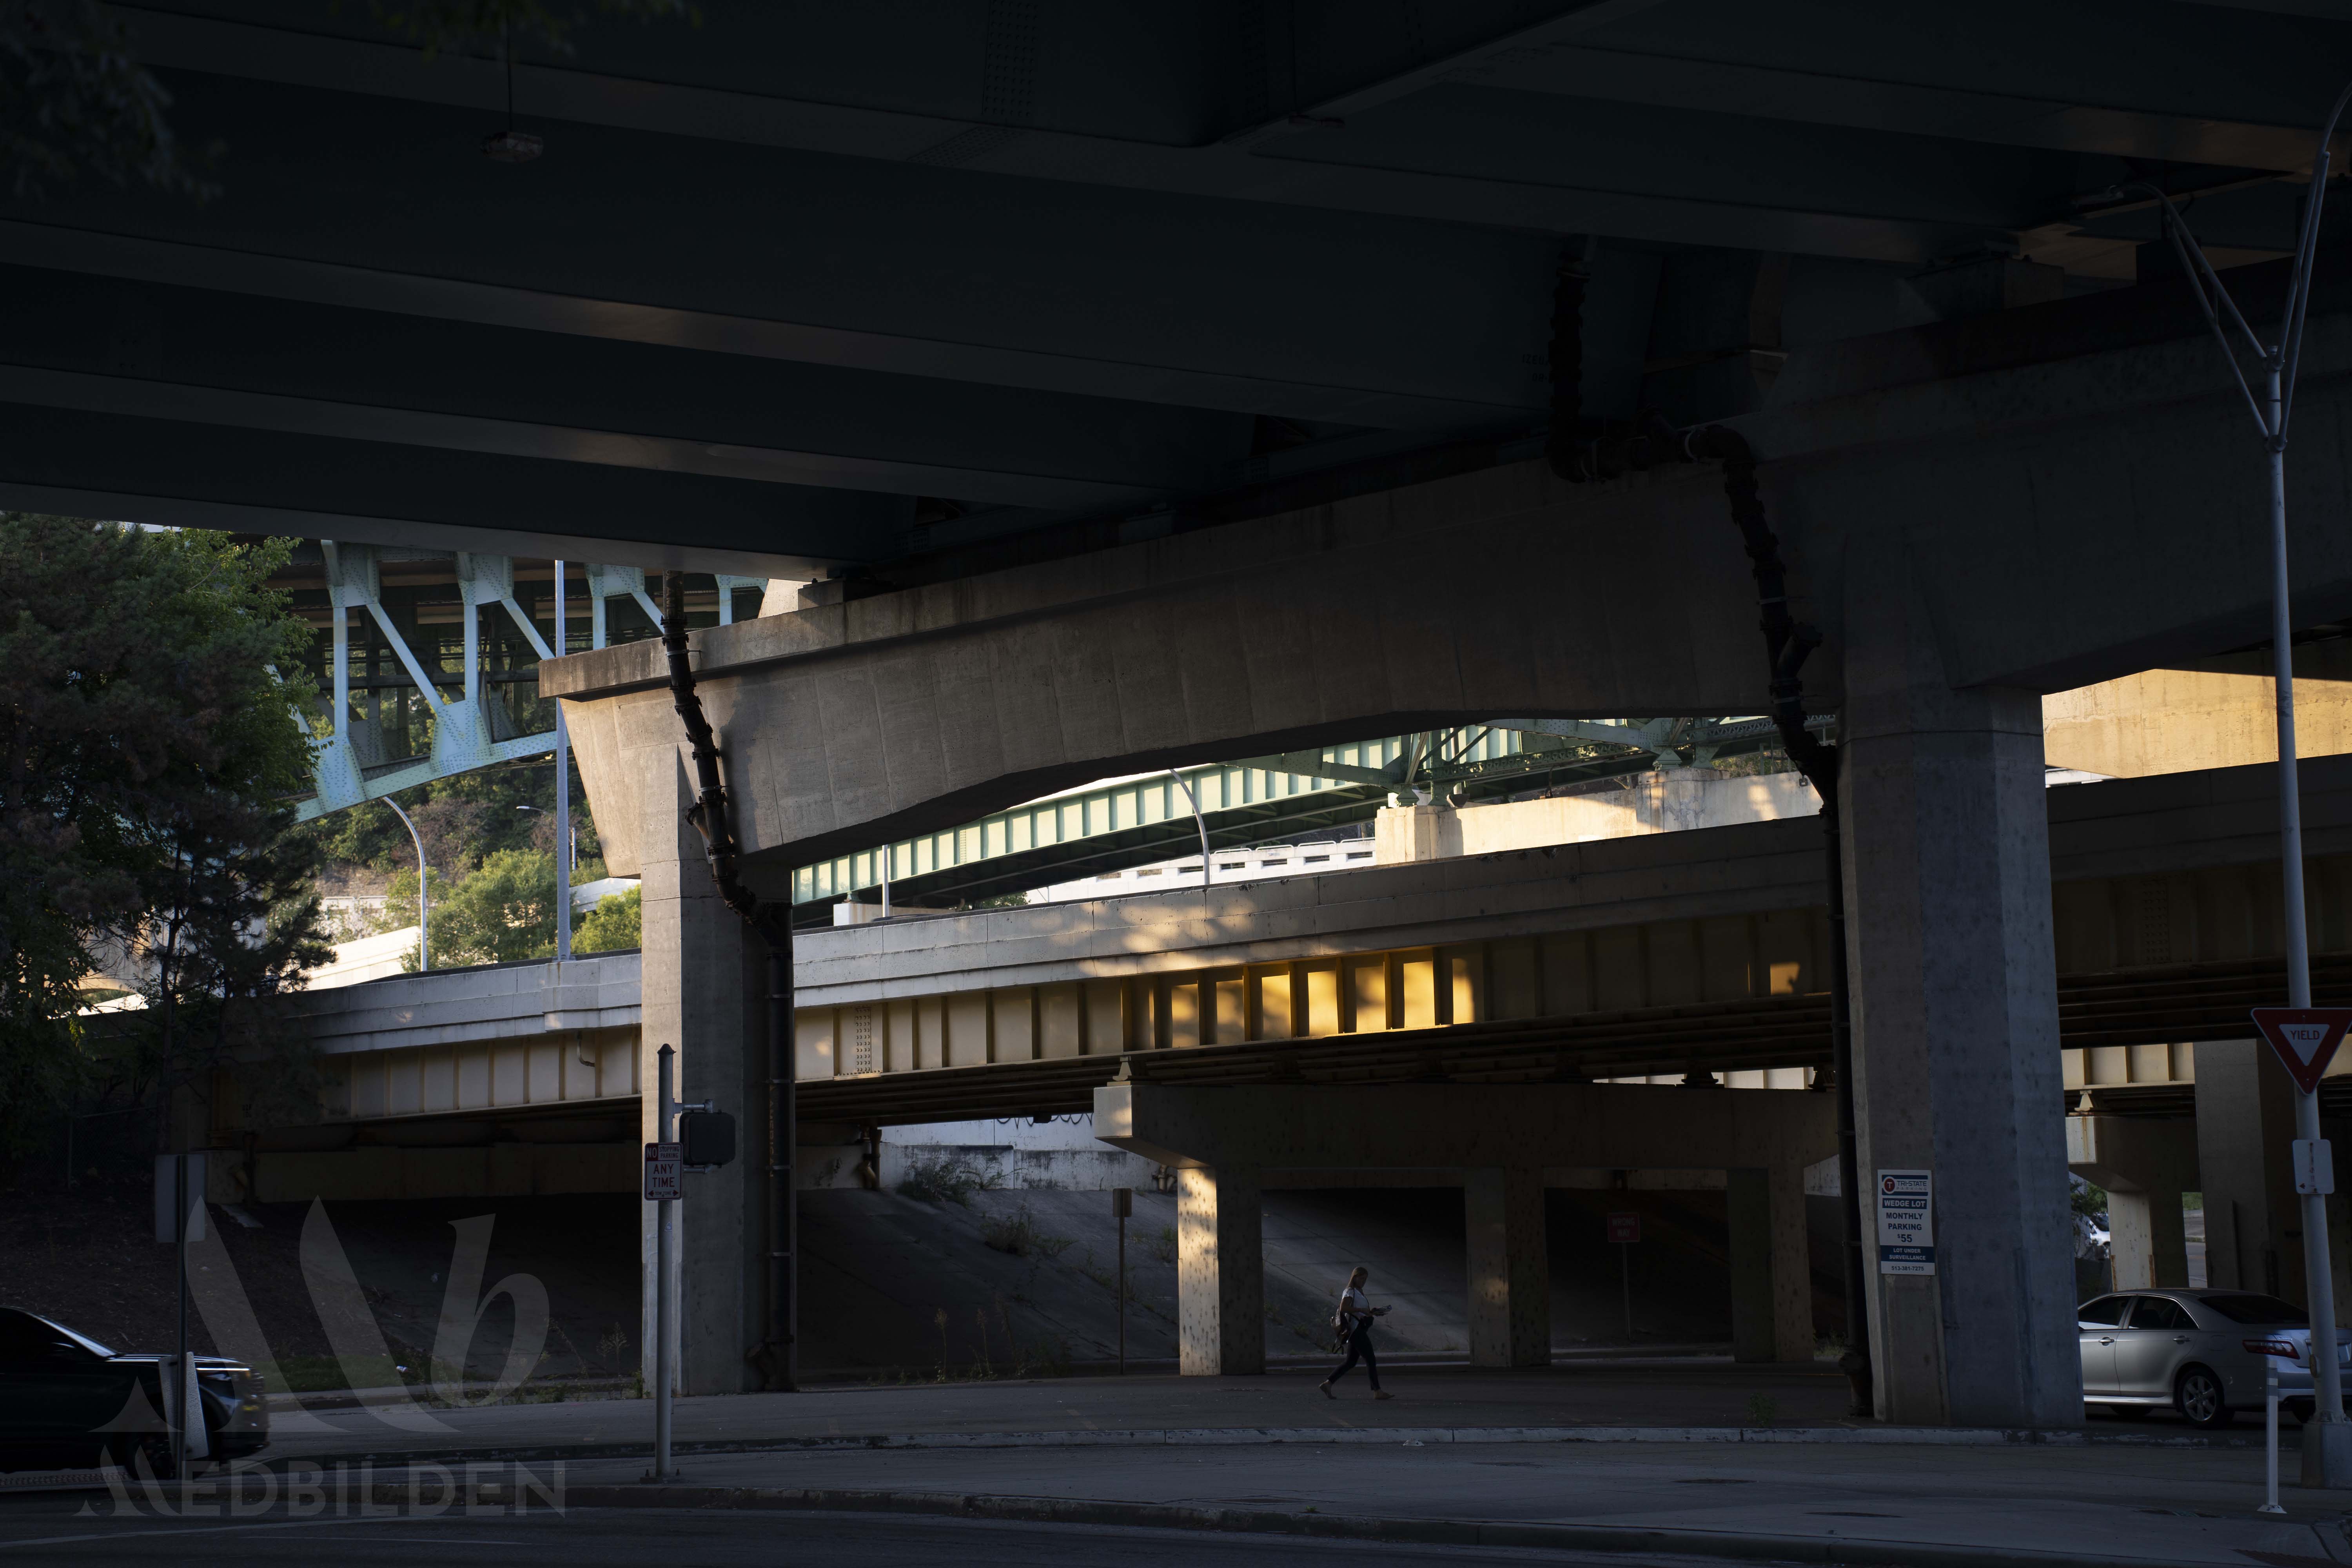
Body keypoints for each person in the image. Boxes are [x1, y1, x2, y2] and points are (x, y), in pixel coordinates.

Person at [1319, 1266, 1394, 1399]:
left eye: (1365, 1279)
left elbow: (1360, 1312)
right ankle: (1377, 1391)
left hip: (1358, 1330)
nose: (1363, 1281)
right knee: (1370, 1359)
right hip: (1355, 1331)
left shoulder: (1359, 1292)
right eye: (1361, 1278)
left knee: (1351, 1362)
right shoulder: (1350, 1291)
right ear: (1354, 1278)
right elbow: (1344, 1308)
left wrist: (1372, 1312)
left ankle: (1328, 1384)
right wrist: (1362, 1310)